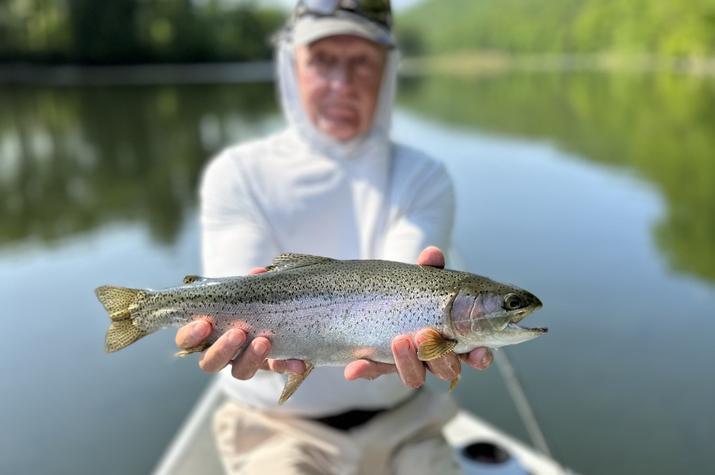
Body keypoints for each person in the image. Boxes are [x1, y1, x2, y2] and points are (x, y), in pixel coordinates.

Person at [175, 1, 492, 473]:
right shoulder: (236, 173)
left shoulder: (424, 176)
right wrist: (210, 328)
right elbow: (235, 289)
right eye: (323, 59)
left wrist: (429, 332)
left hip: (406, 423)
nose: (341, 84)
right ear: (291, 64)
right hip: (275, 430)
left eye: (361, 60)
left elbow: (403, 287)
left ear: (386, 68)